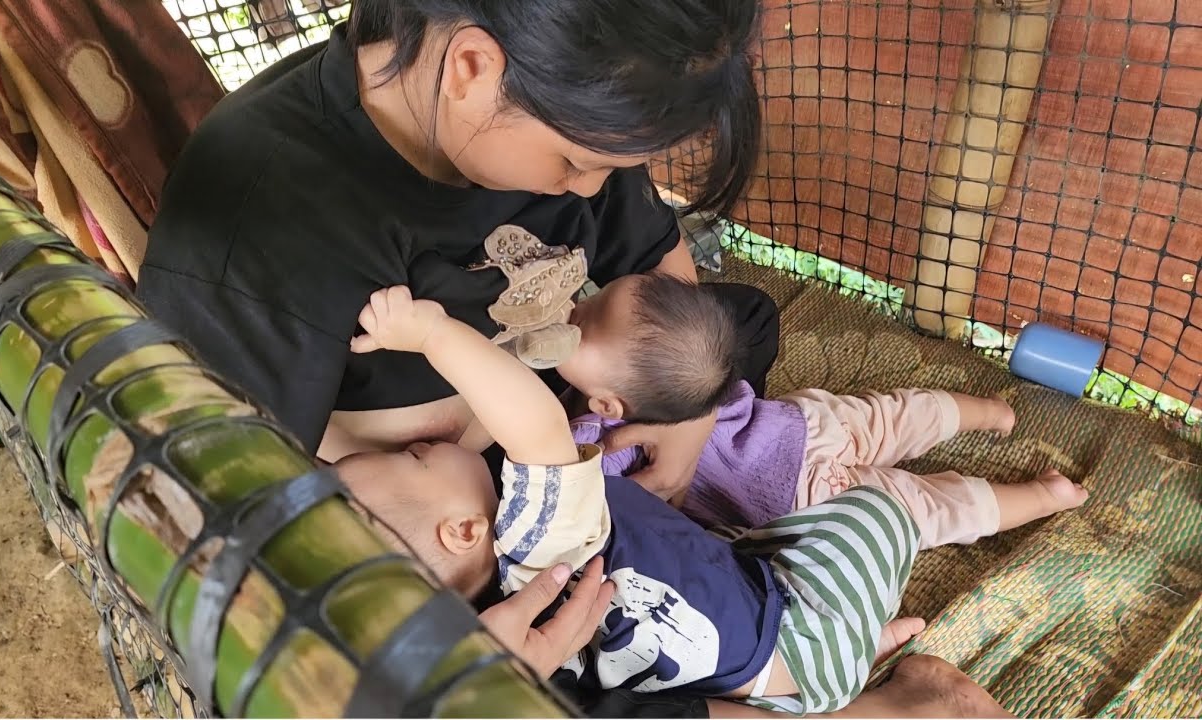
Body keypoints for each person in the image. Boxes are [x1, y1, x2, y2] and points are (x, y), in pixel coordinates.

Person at [137, 0, 1010, 714]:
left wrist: (690, 415)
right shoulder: (257, 227)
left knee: (727, 330)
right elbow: (221, 537)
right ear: (473, 68)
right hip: (454, 540)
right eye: (578, 162)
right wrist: (443, 656)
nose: (592, 187)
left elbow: (653, 266)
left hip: (576, 442)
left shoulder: (560, 100)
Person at [337, 285, 927, 713]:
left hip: (748, 681)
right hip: (801, 635)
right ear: (463, 530)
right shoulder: (533, 536)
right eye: (412, 457)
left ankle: (853, 652)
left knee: (724, 557)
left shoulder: (494, 616)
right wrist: (432, 334)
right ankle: (853, 645)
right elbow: (535, 422)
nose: (418, 443)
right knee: (879, 515)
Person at [561, 273, 1090, 546]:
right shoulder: (701, 363)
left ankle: (1046, 495)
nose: (571, 307)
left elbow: (581, 499)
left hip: (803, 501)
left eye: (581, 318)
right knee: (897, 415)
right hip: (806, 425)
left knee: (925, 514)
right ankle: (992, 412)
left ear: (609, 403)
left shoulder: (595, 436)